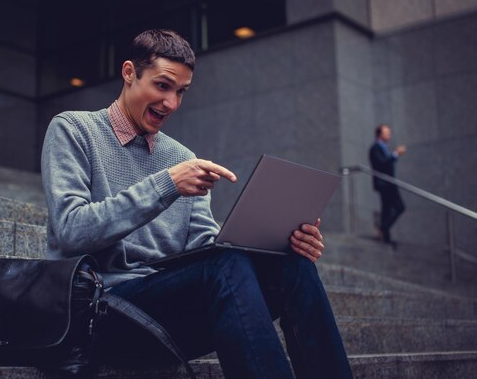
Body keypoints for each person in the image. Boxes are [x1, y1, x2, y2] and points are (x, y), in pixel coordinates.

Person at [41, 29, 353, 379]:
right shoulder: (73, 130)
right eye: (162, 86)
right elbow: (70, 231)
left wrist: (281, 244)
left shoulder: (182, 157)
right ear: (129, 73)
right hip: (100, 313)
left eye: (181, 92)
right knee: (225, 266)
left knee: (293, 267)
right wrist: (167, 184)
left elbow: (207, 250)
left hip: (172, 314)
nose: (171, 103)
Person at [368, 124, 406, 249]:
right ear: (380, 134)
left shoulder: (383, 148)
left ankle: (386, 236)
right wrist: (395, 154)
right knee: (399, 206)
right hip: (384, 183)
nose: (389, 134)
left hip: (388, 182)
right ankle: (384, 227)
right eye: (386, 132)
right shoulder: (375, 148)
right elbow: (381, 163)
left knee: (387, 209)